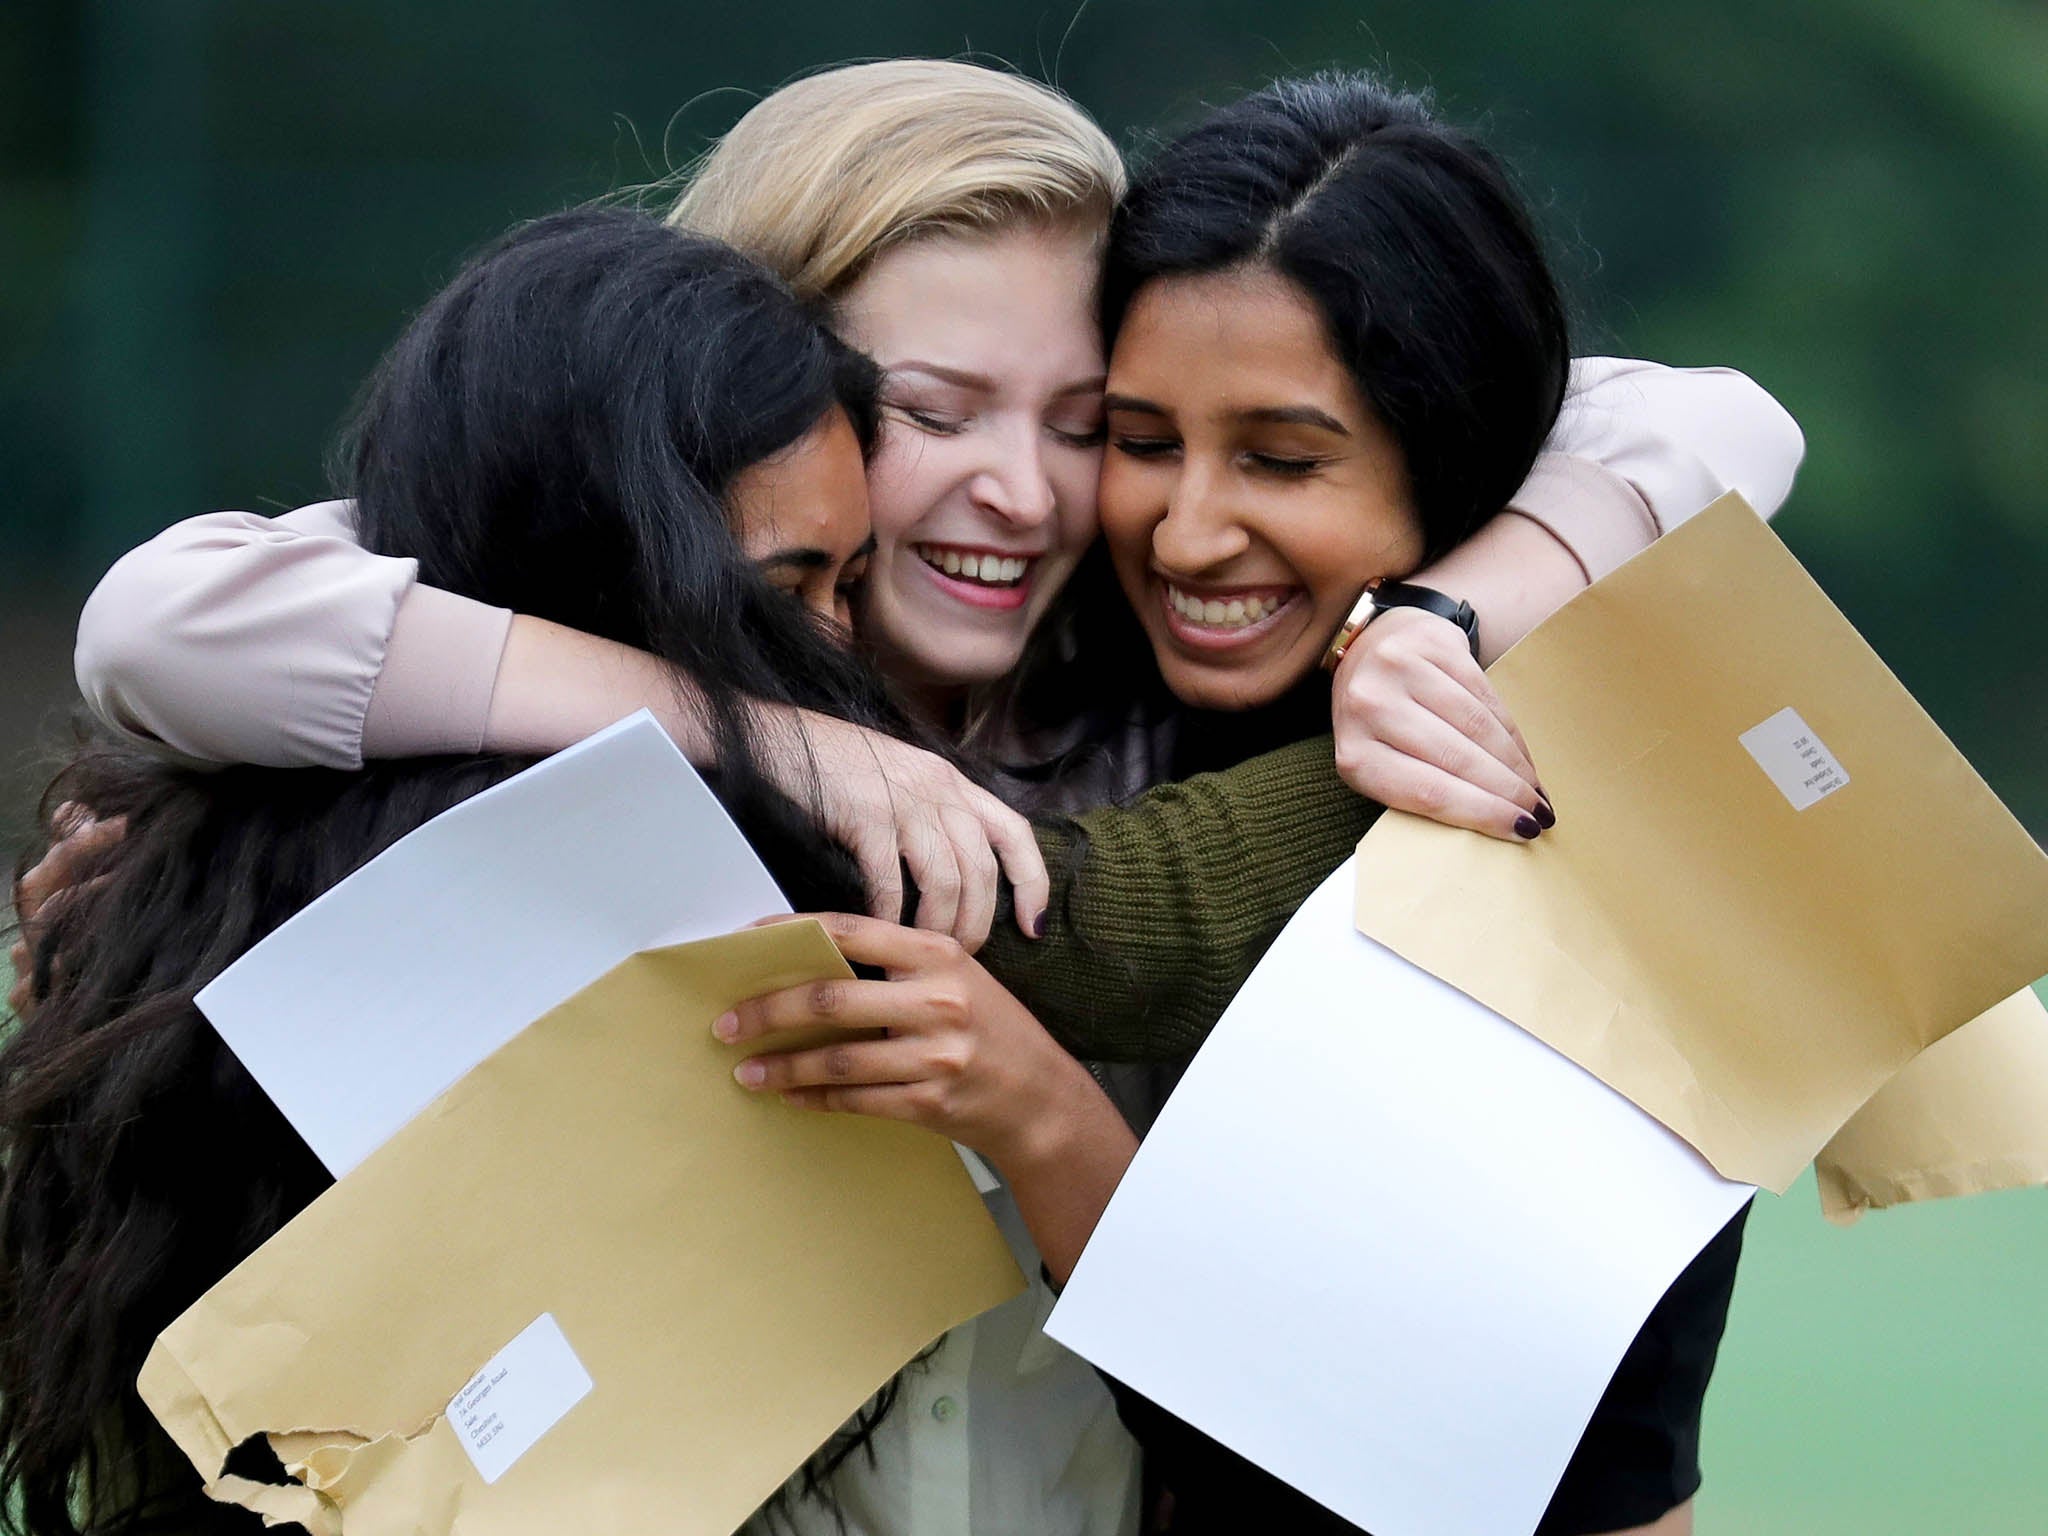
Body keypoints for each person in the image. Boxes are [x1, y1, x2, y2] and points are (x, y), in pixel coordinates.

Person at [42, 59, 1800, 1536]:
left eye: (1083, 418)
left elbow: (1706, 420)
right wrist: (757, 727)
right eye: (929, 410)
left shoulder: (1175, 664)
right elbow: (168, 619)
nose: (1021, 493)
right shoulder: (574, 599)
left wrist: (1444, 617)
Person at [725, 72, 1758, 1536]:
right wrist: (753, 729)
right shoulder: (1108, 677)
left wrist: (1437, 617)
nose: (1188, 529)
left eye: (1280, 460)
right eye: (1139, 441)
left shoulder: (1552, 814)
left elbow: (1486, 1481)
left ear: (1457, 456)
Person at [0, 207, 946, 1536]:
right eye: (782, 592)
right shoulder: (679, 890)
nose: (837, 650)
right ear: (609, 556)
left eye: (849, 584)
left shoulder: (195, 870)